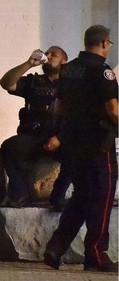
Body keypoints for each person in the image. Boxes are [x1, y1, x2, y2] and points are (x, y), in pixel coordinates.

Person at [43, 25, 118, 272]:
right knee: (102, 198)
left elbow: (59, 108)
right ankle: (96, 254)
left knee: (81, 198)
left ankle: (56, 247)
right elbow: (112, 110)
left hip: (73, 144)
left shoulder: (70, 69)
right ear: (104, 43)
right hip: (98, 144)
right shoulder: (102, 71)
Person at [0, 46, 70, 208]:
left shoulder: (71, 86)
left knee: (78, 151)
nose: (48, 56)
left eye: (54, 54)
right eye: (47, 53)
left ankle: (58, 197)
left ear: (64, 61)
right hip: (33, 136)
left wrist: (60, 138)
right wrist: (29, 63)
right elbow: (6, 83)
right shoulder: (34, 81)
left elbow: (78, 118)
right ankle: (19, 194)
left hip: (59, 138)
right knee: (10, 146)